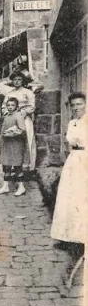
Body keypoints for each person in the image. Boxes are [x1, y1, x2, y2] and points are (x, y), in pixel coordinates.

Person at [51, 92, 87, 260]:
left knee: (82, 198)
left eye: (79, 104)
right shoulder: (72, 122)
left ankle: (82, 237)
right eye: (73, 105)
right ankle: (69, 236)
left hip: (85, 161)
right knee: (68, 198)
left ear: (85, 104)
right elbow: (70, 143)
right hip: (73, 161)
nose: (76, 108)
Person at [1, 70, 37, 171]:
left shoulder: (28, 92)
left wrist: (23, 113)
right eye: (15, 80)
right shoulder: (9, 94)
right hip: (12, 119)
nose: (17, 82)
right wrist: (7, 113)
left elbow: (32, 106)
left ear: (22, 81)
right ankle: (13, 164)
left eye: (19, 79)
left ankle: (27, 166)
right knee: (12, 141)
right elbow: (4, 106)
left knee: (26, 140)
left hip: (24, 119)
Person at [0, 97, 29, 196]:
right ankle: (5, 186)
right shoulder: (7, 116)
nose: (10, 107)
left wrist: (12, 133)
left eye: (12, 105)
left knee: (17, 165)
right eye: (8, 105)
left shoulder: (18, 116)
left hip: (16, 144)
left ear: (17, 107)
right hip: (7, 144)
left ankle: (21, 187)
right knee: (6, 165)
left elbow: (22, 130)